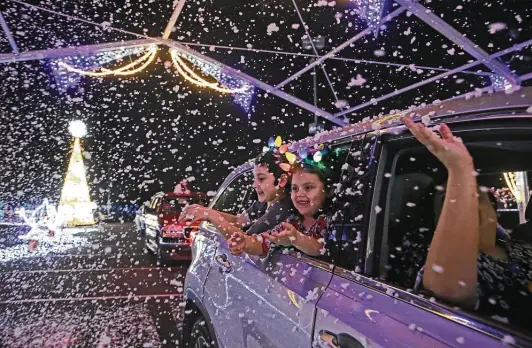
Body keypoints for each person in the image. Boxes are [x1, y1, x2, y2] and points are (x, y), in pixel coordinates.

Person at [402, 116, 532, 328]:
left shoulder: (522, 246)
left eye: (478, 197)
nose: (472, 206)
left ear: (495, 210)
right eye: (450, 201)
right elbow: (446, 292)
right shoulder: (445, 263)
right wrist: (460, 169)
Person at [227, 149, 334, 258]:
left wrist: (296, 238)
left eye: (308, 187)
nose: (299, 194)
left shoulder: (333, 221)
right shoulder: (292, 221)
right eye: (294, 188)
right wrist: (245, 243)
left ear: (329, 190)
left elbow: (320, 248)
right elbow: (263, 242)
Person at [179, 150, 294, 239]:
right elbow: (239, 221)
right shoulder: (263, 204)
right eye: (254, 178)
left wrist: (211, 216)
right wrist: (207, 212)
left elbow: (245, 240)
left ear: (282, 180)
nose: (254, 185)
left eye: (261, 178)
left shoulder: (281, 210)